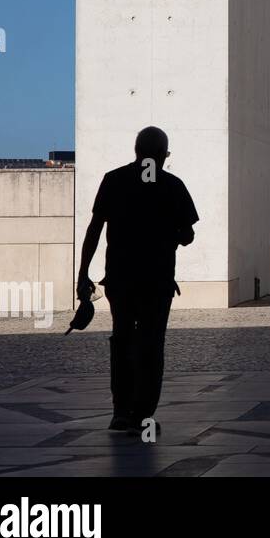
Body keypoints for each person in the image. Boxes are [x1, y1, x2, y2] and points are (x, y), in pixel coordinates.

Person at [77, 126, 198, 434]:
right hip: (156, 280)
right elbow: (187, 235)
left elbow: (94, 229)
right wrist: (167, 234)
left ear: (136, 150)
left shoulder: (114, 180)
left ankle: (121, 411)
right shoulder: (172, 185)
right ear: (163, 155)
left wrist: (82, 274)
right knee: (151, 345)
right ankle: (143, 414)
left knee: (121, 340)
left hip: (120, 277)